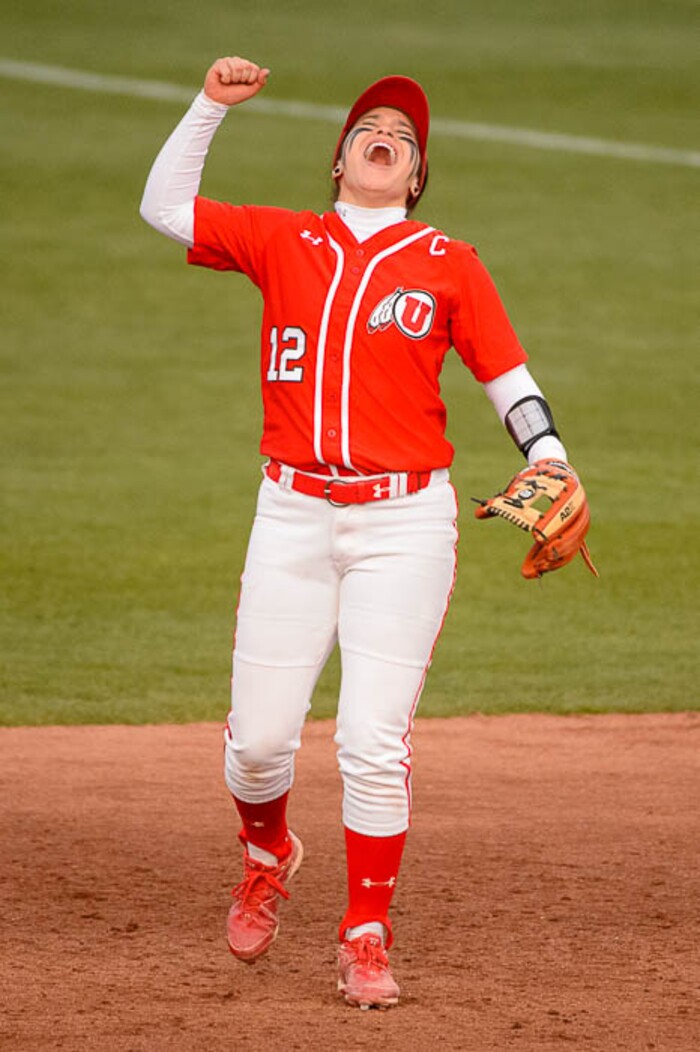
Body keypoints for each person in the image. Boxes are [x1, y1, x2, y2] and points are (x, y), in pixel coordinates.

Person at [140, 56, 582, 1010]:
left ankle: (365, 936)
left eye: (406, 140)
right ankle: (267, 854)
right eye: (369, 131)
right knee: (259, 745)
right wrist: (210, 106)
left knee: (372, 744)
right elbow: (164, 206)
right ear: (339, 159)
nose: (387, 139)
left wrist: (550, 451)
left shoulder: (448, 262)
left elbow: (505, 373)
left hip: (405, 524)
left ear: (415, 176)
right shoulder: (281, 240)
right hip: (290, 516)